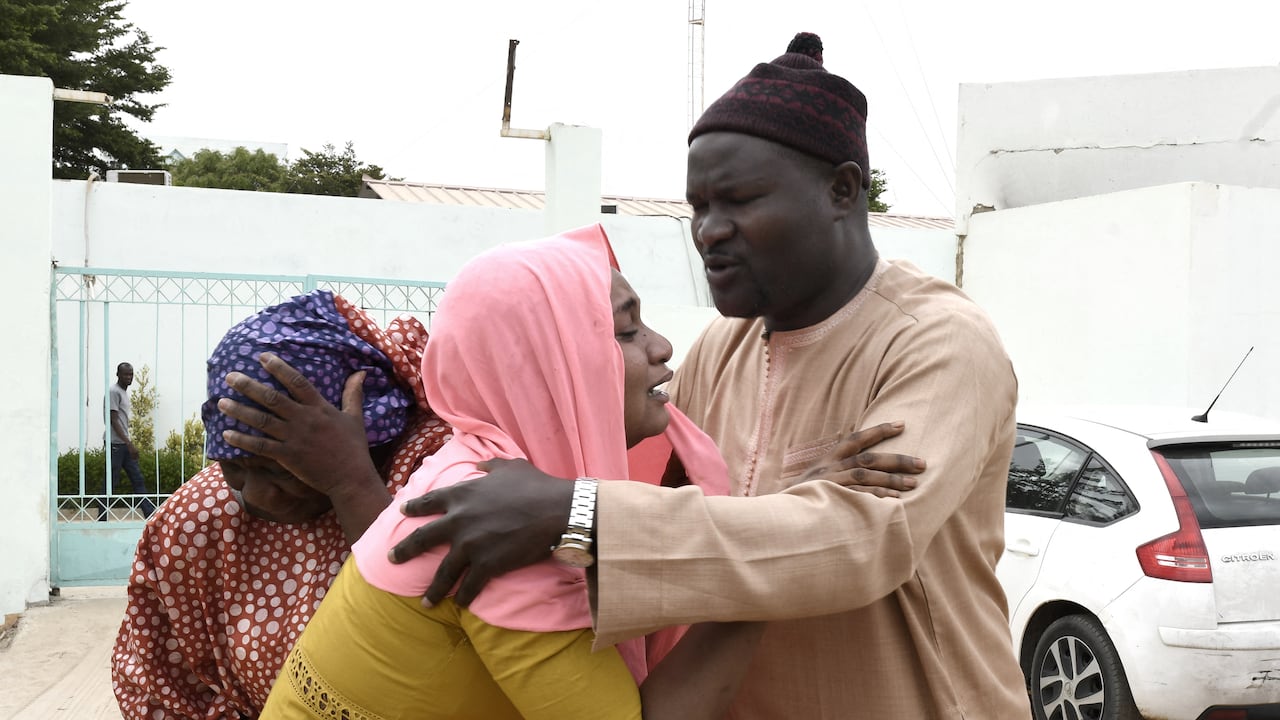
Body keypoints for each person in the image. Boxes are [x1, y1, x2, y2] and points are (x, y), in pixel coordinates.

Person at [384, 32, 1030, 719]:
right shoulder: (723, 348)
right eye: (698, 206)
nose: (708, 231)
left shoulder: (935, 342)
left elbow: (864, 540)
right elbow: (614, 464)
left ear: (842, 190)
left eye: (740, 200)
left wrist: (576, 514)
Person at [259, 226, 771, 720]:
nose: (661, 347)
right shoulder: (500, 526)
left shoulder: (480, 471)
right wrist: (763, 572)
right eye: (625, 331)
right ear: (549, 365)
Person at [111, 290, 452, 719]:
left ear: (370, 439)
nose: (254, 496)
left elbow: (446, 634)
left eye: (279, 472)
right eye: (235, 467)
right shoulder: (198, 521)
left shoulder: (434, 471)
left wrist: (351, 485)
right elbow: (157, 685)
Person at [101, 361, 156, 520]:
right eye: (125, 374)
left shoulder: (123, 393)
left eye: (131, 374)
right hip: (115, 444)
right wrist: (129, 443)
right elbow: (113, 419)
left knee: (137, 478)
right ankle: (102, 518)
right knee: (111, 481)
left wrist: (127, 443)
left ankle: (149, 514)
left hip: (123, 444)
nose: (129, 377)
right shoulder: (113, 391)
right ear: (118, 374)